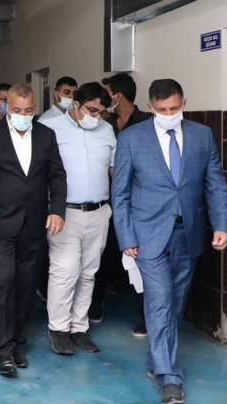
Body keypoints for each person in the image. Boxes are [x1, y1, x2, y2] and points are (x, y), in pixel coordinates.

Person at [112, 78, 227, 404]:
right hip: (147, 235)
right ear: (151, 107)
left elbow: (215, 184)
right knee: (160, 300)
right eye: (162, 109)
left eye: (174, 108)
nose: (169, 114)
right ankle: (170, 379)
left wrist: (221, 225)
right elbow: (120, 194)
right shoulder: (131, 138)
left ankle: (157, 359)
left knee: (175, 302)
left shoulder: (201, 135)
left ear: (184, 104)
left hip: (187, 232)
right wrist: (126, 237)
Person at [0, 84, 66, 376]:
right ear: (5, 108)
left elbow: (57, 175)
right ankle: (3, 348)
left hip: (34, 222)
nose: (23, 115)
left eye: (28, 110)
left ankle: (18, 342)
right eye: (16, 110)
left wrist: (57, 210)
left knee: (26, 285)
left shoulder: (46, 135)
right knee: (3, 281)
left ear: (34, 108)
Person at [41, 82, 116, 356]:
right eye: (92, 110)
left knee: (88, 272)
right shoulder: (50, 128)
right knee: (64, 271)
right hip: (64, 212)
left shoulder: (107, 130)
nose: (97, 116)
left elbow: (114, 168)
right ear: (76, 104)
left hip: (99, 211)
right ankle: (58, 328)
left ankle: (78, 328)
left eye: (101, 112)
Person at [89, 72, 153, 333]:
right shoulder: (103, 124)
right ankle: (95, 306)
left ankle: (142, 318)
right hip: (108, 203)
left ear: (118, 95)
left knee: (141, 260)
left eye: (107, 93)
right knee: (103, 256)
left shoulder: (147, 123)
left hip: (139, 204)